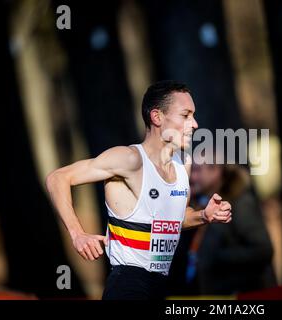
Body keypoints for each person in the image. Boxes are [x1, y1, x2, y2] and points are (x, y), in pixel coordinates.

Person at [45, 80, 232, 300]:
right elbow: (57, 178)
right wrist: (77, 234)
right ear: (157, 117)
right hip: (128, 284)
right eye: (185, 115)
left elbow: (176, 219)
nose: (195, 124)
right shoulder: (130, 159)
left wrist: (203, 215)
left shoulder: (183, 164)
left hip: (161, 283)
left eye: (193, 115)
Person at [188, 156, 275, 295]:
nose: (191, 177)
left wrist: (216, 257)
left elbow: (263, 250)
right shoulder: (199, 205)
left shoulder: (240, 204)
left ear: (215, 171)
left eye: (197, 170)